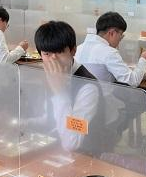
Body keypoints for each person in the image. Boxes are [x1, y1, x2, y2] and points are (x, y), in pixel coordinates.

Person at [33, 21, 107, 153]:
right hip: (53, 147)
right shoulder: (52, 77)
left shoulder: (88, 87)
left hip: (85, 155)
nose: (53, 59)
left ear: (73, 50)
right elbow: (49, 118)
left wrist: (59, 93)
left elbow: (71, 143)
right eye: (47, 54)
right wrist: (19, 123)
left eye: (60, 52)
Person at [75, 11, 146, 87]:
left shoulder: (79, 48)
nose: (121, 38)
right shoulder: (109, 53)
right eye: (121, 34)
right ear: (112, 33)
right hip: (102, 96)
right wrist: (143, 59)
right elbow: (132, 81)